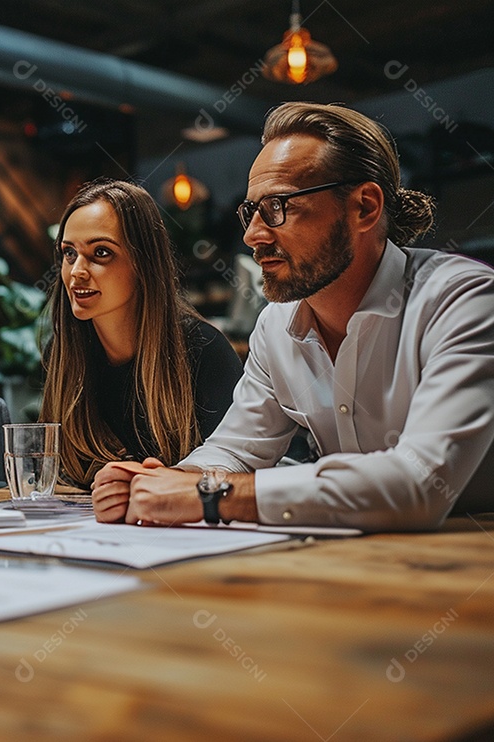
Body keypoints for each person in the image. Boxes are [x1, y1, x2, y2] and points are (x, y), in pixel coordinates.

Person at [92, 101, 494, 531]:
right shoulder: (276, 325)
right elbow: (235, 449)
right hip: (365, 555)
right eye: (251, 211)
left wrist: (211, 495)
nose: (253, 235)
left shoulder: (462, 299)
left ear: (364, 207)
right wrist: (164, 481)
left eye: (278, 206)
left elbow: (420, 484)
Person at [40, 179, 243, 488]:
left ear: (143, 262)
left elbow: (234, 471)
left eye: (101, 253)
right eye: (69, 253)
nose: (77, 271)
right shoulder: (63, 353)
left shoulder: (204, 350)